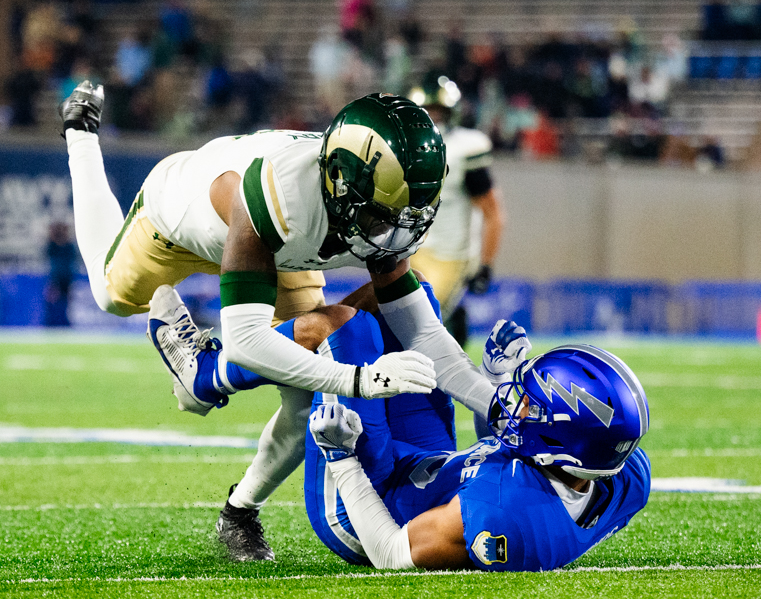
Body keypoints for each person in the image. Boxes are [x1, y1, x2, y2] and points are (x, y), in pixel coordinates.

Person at [61, 83, 496, 563]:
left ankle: (239, 511)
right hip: (177, 223)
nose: (394, 232)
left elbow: (424, 333)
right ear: (340, 183)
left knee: (307, 393)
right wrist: (359, 379)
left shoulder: (372, 204)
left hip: (278, 249)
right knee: (110, 295)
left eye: (406, 215)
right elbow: (246, 342)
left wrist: (501, 405)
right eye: (381, 215)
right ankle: (81, 134)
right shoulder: (280, 194)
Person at [304, 311, 651, 571]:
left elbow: (390, 553)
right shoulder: (621, 472)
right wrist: (494, 376)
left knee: (345, 329)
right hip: (429, 465)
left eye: (531, 405)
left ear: (558, 440)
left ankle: (251, 351)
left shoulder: (505, 510)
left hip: (371, 507)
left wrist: (342, 458)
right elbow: (504, 454)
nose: (519, 405)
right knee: (403, 310)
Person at [408, 79, 505, 346]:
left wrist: (484, 265)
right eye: (427, 110)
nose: (433, 118)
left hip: (450, 253)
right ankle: (452, 320)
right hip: (409, 249)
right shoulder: (403, 148)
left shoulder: (466, 147)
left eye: (439, 111)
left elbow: (493, 212)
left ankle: (450, 331)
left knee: (421, 321)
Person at [44, 221, 79, 327]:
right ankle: (50, 324)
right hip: (55, 278)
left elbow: (73, 260)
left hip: (67, 278)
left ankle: (66, 324)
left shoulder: (69, 246)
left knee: (67, 303)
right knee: (52, 302)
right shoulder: (52, 245)